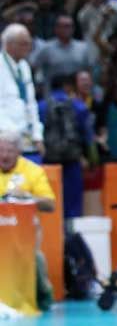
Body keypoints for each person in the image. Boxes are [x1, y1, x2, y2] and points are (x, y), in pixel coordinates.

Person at [0, 130, 56, 309]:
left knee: (35, 257)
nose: (4, 155)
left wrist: (26, 196)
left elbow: (50, 204)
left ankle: (44, 296)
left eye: (9, 151)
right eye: (0, 151)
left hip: (23, 234)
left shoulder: (33, 171)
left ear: (18, 152)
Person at [39, 72, 94, 218]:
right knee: (73, 202)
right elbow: (88, 136)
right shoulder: (79, 107)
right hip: (72, 161)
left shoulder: (42, 106)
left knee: (51, 197)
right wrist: (92, 159)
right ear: (68, 87)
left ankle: (54, 233)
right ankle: (71, 236)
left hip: (49, 161)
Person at [0, 24, 43, 161]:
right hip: (4, 137)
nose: (28, 48)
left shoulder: (24, 66)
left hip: (25, 135)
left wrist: (38, 136)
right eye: (23, 44)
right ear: (9, 44)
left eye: (29, 43)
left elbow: (31, 103)